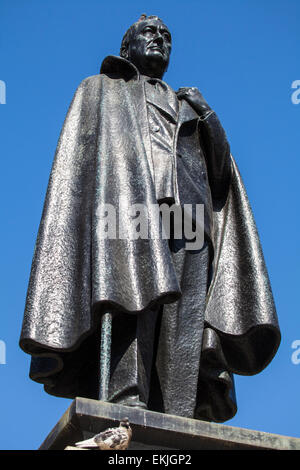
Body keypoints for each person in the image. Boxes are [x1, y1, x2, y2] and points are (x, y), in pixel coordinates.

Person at [20, 15, 280, 422]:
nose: (160, 39)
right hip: (129, 210)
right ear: (127, 48)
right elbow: (84, 166)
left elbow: (220, 176)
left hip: (192, 220)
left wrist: (209, 116)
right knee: (130, 297)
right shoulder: (102, 90)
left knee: (186, 320)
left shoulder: (188, 105)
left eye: (167, 36)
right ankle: (127, 400)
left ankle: (179, 413)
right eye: (150, 33)